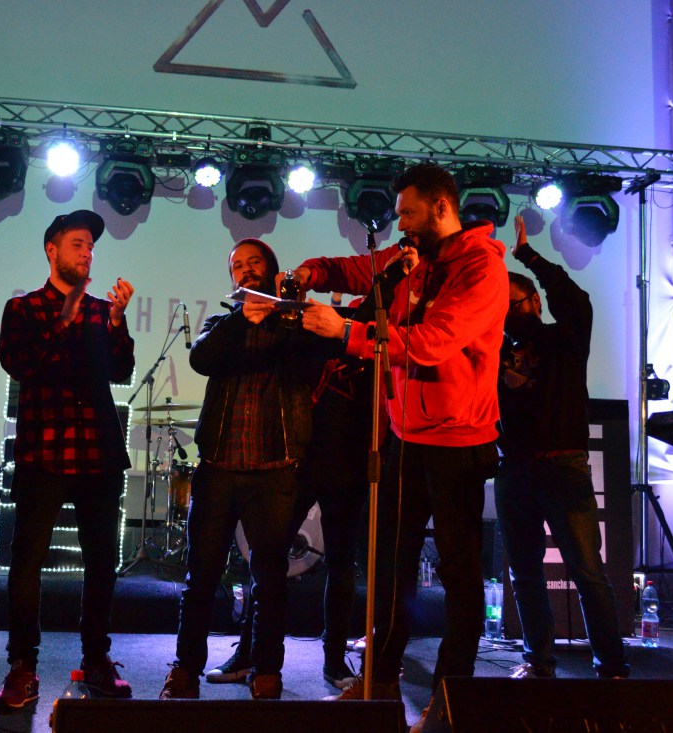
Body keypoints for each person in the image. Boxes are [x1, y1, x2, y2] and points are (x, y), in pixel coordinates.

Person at [294, 161, 508, 713]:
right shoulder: (413, 257)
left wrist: (347, 331)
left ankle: (449, 697)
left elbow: (432, 343)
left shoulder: (480, 267)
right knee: (390, 568)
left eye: (409, 213)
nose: (401, 225)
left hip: (458, 442)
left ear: (441, 207)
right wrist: (313, 272)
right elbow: (360, 270)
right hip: (404, 437)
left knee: (460, 576)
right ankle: (380, 682)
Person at [159, 238, 338, 701]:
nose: (245, 270)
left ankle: (266, 671)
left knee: (271, 580)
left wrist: (285, 311)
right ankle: (185, 670)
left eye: (254, 262)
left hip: (274, 471)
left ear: (273, 270)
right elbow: (201, 358)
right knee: (200, 577)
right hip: (218, 469)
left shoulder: (297, 325)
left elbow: (315, 356)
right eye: (237, 265)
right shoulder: (223, 323)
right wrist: (243, 318)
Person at [0, 210, 135, 711]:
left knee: (101, 562)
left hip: (98, 451)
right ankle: (22, 666)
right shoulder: (24, 308)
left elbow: (121, 370)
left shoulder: (101, 311)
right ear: (51, 250)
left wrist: (117, 323)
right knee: (27, 563)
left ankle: (96, 660)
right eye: (78, 243)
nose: (87, 252)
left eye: (91, 246)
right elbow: (19, 363)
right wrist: (62, 321)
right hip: (44, 451)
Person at [493, 214, 629, 681]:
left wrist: (529, 256)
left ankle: (612, 665)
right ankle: (538, 661)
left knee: (587, 570)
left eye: (513, 304)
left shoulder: (565, 339)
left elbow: (575, 299)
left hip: (563, 466)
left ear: (534, 301)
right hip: (514, 469)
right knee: (525, 573)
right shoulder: (494, 351)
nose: (507, 314)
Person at [206, 347, 375, 690]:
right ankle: (248, 654)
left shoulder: (367, 339)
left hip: (349, 463)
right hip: (297, 460)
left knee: (341, 565)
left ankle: (334, 660)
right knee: (268, 560)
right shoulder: (306, 336)